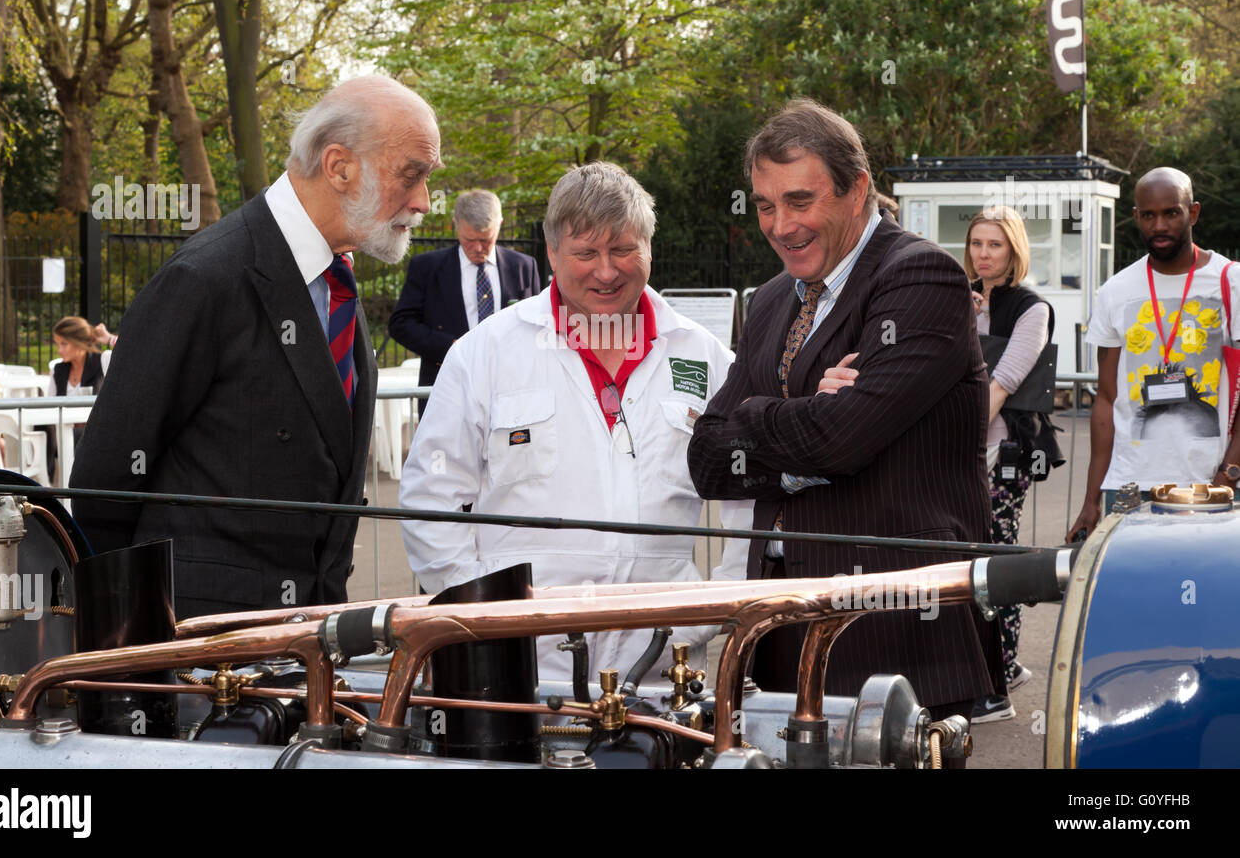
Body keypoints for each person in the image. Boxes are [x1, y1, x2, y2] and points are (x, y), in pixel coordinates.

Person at [71, 75, 442, 619]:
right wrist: (138, 653)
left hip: (304, 642)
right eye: (411, 175)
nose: (423, 202)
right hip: (206, 656)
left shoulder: (334, 278)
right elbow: (106, 485)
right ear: (338, 166)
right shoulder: (205, 278)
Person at [686, 99, 1004, 730]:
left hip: (897, 633)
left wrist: (755, 416)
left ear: (858, 190)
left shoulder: (921, 277)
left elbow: (840, 441)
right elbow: (706, 460)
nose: (780, 225)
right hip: (781, 637)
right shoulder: (775, 298)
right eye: (765, 205)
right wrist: (792, 413)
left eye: (800, 202)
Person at [399, 162, 751, 680]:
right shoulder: (486, 353)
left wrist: (715, 610)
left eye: (624, 250)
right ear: (553, 253)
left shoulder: (704, 357)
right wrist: (484, 613)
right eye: (585, 253)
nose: (605, 272)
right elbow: (431, 498)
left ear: (649, 249)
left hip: (662, 672)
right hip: (520, 670)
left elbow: (749, 500)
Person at [1066, 167, 1240, 543]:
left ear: (1192, 213)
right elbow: (1107, 400)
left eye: (1170, 213)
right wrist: (1090, 499)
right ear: (1136, 217)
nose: (1159, 225)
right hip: (1129, 488)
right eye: (1149, 215)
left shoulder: (1231, 283)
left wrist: (1230, 471)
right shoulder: (1115, 291)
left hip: (1212, 486)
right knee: (1135, 597)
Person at [964, 205, 1062, 722]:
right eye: (977, 243)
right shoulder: (963, 298)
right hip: (964, 449)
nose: (983, 254)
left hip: (1003, 451)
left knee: (997, 560)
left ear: (1014, 249)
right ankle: (1000, 666)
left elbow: (1001, 383)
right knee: (968, 559)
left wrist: (956, 444)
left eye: (995, 244)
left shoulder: (1032, 308)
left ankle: (997, 682)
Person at [388, 189, 541, 414]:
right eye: (470, 240)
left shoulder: (523, 266)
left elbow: (536, 325)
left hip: (510, 392)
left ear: (500, 224)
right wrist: (451, 347)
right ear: (456, 225)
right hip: (448, 391)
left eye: (486, 240)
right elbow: (401, 324)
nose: (478, 249)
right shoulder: (427, 267)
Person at [51, 316, 107, 396]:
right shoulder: (57, 370)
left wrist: (109, 339)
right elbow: (50, 405)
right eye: (57, 344)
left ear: (79, 342)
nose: (59, 350)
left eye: (64, 344)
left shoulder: (103, 363)